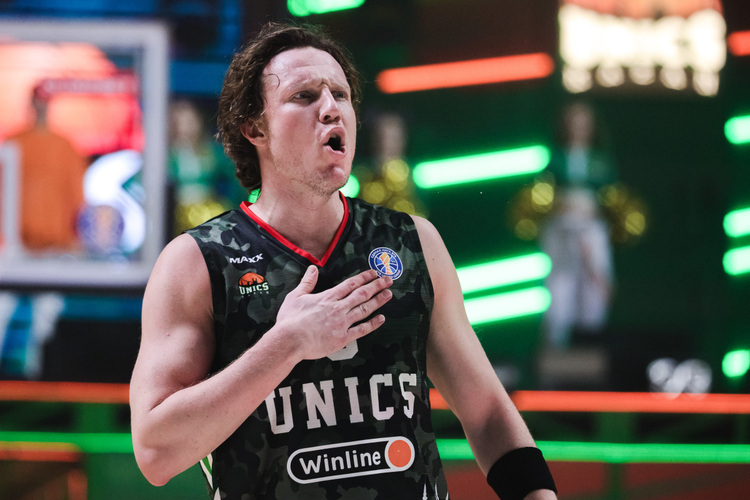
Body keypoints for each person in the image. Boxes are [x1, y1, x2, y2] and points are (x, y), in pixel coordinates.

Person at [130, 22, 557, 500]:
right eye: (304, 96)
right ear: (255, 128)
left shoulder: (413, 243)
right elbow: (155, 454)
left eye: (341, 94)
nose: (331, 108)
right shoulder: (198, 261)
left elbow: (488, 413)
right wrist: (287, 344)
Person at [539, 101, 617, 351]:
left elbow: (613, 201)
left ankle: (591, 347)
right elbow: (540, 197)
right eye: (573, 122)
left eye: (583, 123)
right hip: (561, 233)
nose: (578, 128)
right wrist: (562, 206)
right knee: (560, 290)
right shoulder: (554, 159)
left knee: (595, 290)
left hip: (592, 231)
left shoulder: (601, 161)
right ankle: (556, 351)